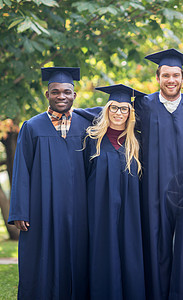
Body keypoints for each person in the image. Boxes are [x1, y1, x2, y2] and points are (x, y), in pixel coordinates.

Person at [8, 67, 90, 299]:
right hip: (42, 207)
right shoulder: (32, 127)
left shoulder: (86, 127)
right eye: (55, 92)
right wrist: (20, 211)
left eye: (66, 92)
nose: (61, 96)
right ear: (47, 95)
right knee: (42, 257)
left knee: (78, 255)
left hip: (79, 208)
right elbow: (22, 169)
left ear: (75, 95)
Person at [134, 49, 183, 299]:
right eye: (166, 75)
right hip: (153, 186)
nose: (171, 80)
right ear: (157, 77)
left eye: (175, 75)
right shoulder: (143, 105)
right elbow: (111, 112)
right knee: (156, 243)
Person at [83, 84, 146, 299]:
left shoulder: (137, 141)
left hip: (130, 212)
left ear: (130, 113)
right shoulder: (92, 140)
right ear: (107, 109)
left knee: (129, 253)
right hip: (100, 211)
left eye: (124, 109)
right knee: (103, 253)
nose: (119, 113)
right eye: (114, 108)